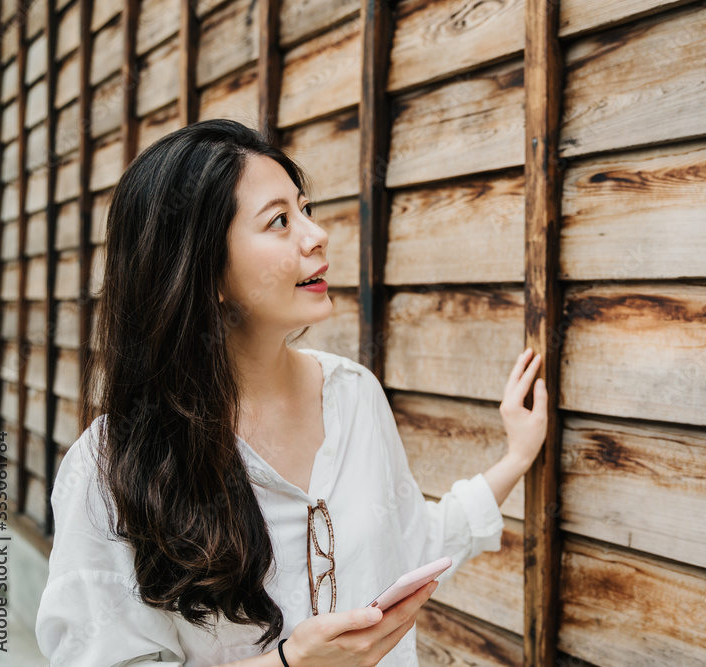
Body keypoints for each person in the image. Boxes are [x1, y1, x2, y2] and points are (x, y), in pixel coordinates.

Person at [34, 119, 548, 666]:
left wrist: (516, 456)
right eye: (279, 220)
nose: (315, 234)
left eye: (306, 209)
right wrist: (288, 663)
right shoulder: (111, 466)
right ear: (204, 270)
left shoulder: (354, 395)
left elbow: (410, 541)